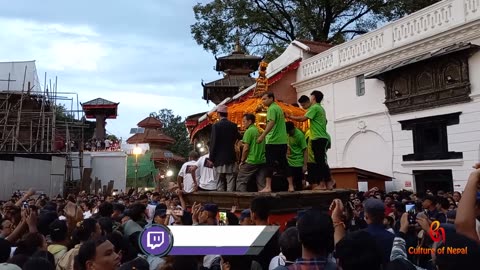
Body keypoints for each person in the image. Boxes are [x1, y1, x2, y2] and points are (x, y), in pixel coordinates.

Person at [287, 92, 333, 190]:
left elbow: (303, 118)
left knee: (319, 162)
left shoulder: (315, 108)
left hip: (317, 137)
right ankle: (328, 183)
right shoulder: (320, 108)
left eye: (310, 96)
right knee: (321, 161)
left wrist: (290, 117)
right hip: (322, 137)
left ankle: (322, 184)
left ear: (313, 98)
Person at [257, 92, 289, 193]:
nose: (263, 101)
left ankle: (268, 187)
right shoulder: (279, 108)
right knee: (284, 163)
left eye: (265, 99)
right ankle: (291, 186)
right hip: (282, 140)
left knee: (269, 164)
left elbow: (271, 122)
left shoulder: (271, 109)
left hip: (272, 141)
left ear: (271, 98)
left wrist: (263, 135)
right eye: (262, 99)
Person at [209, 104, 240, 192]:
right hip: (230, 156)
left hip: (219, 158)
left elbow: (213, 143)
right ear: (227, 114)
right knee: (230, 179)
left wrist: (211, 158)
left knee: (220, 180)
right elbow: (238, 137)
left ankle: (221, 198)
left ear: (218, 114)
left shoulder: (216, 126)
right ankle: (230, 198)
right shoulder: (233, 125)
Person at [236, 113, 267, 192]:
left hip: (252, 160)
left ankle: (241, 201)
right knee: (261, 183)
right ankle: (264, 201)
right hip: (262, 160)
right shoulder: (260, 130)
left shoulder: (249, 131)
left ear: (249, 121)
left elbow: (246, 148)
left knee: (241, 180)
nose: (243, 124)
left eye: (244, 121)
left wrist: (242, 161)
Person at [285, 122, 307, 192]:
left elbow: (305, 150)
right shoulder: (287, 135)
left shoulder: (300, 135)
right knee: (289, 181)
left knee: (298, 184)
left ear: (293, 128)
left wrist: (305, 165)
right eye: (287, 131)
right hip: (289, 161)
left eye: (289, 131)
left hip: (298, 162)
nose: (289, 133)